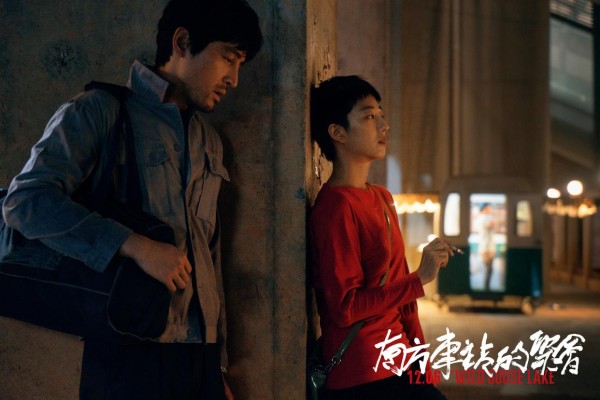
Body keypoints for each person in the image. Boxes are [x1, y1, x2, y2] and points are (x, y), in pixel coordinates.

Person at [1, 0, 262, 399]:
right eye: (228, 58)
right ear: (182, 42)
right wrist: (134, 245)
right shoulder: (99, 111)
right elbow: (26, 202)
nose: (235, 79)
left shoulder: (208, 140)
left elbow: (211, 255)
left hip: (201, 356)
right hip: (129, 349)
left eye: (240, 64)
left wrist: (219, 366)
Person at [309, 75, 453, 399]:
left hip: (399, 361)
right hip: (362, 373)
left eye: (381, 115)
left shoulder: (382, 197)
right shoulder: (335, 207)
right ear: (338, 133)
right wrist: (420, 278)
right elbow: (345, 308)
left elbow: (404, 301)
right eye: (369, 116)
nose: (384, 126)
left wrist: (421, 363)